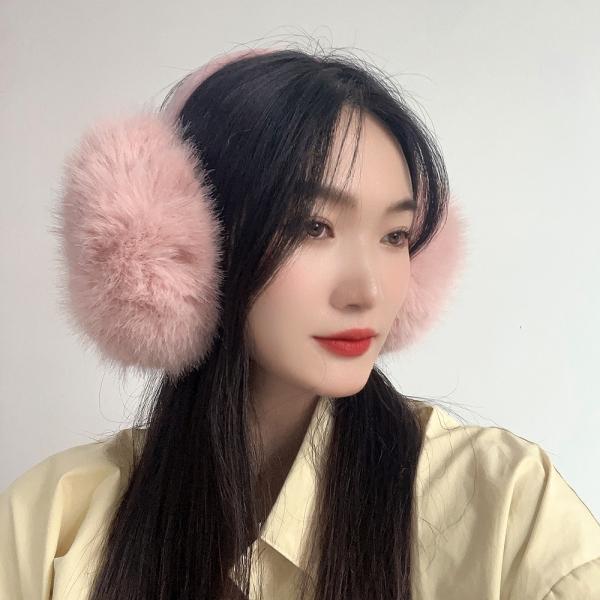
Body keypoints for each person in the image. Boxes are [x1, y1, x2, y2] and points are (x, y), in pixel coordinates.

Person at [1, 44, 599, 600]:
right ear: (182, 246)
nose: (368, 290)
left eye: (395, 235)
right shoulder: (53, 524)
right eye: (313, 226)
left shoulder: (507, 509)